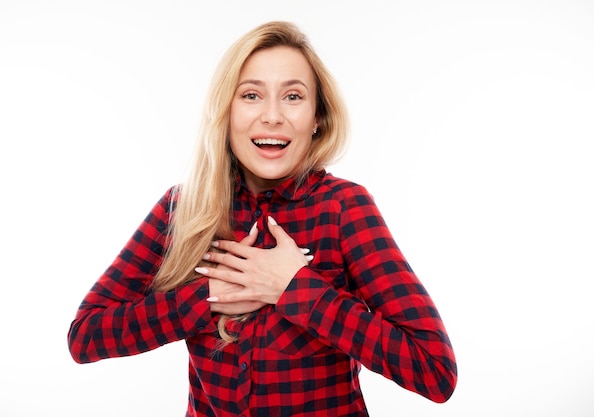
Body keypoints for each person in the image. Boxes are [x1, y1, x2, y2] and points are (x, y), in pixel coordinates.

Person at [68, 21, 457, 416]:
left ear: (317, 117)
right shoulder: (184, 208)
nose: (272, 116)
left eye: (292, 96)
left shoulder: (344, 208)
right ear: (227, 111)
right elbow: (85, 336)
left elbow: (435, 371)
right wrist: (209, 298)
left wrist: (295, 288)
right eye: (252, 95)